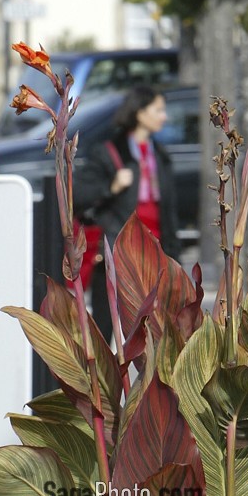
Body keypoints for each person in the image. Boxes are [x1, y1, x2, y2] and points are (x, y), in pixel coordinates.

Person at [74, 85, 179, 337]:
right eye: (158, 110)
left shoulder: (160, 155)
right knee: (104, 325)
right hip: (116, 252)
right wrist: (111, 187)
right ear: (140, 113)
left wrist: (175, 258)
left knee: (158, 328)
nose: (164, 116)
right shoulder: (108, 152)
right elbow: (78, 195)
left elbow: (169, 211)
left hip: (155, 253)